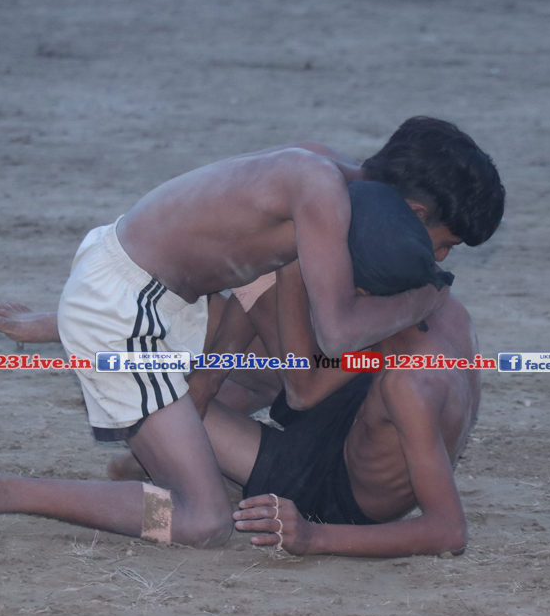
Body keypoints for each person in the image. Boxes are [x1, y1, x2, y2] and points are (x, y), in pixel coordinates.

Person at [0, 117, 504, 552]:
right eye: (444, 245)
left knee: (263, 367)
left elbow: (244, 273)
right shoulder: (321, 195)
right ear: (415, 212)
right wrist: (422, 297)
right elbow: (335, 333)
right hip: (123, 313)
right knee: (200, 520)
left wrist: (201, 389)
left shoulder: (326, 169)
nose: (440, 261)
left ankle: (105, 368)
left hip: (156, 289)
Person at [117, 181, 480, 556]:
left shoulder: (411, 383)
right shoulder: (424, 305)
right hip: (343, 423)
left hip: (329, 490)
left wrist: (314, 536)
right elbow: (265, 288)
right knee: (265, 272)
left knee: (140, 389)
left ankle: (143, 475)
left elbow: (449, 531)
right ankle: (164, 458)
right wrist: (209, 378)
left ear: (360, 293)